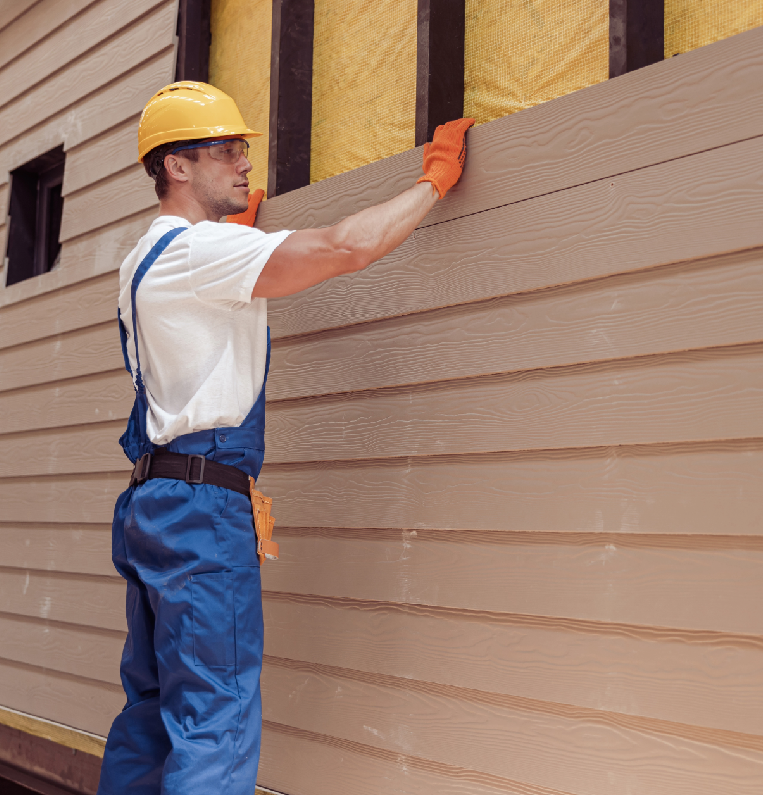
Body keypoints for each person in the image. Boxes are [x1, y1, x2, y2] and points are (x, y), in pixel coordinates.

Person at [98, 81, 473, 794]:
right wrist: (432, 180)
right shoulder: (200, 251)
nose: (244, 163)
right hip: (203, 512)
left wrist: (239, 237)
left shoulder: (145, 258)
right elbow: (345, 246)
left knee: (152, 711)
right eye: (227, 150)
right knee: (215, 716)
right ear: (176, 167)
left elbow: (203, 311)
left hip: (153, 503)